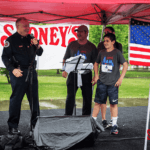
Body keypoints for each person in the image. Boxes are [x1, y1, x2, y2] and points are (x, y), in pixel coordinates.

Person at [1, 17, 43, 135]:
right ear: (17, 26)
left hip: (31, 72)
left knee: (34, 100)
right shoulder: (11, 40)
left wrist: (37, 45)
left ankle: (35, 125)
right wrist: (12, 69)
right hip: (18, 73)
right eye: (25, 26)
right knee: (16, 100)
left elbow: (40, 52)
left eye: (28, 26)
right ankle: (13, 126)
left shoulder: (31, 39)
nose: (27, 28)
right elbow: (4, 57)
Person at [92, 33, 128, 134]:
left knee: (113, 104)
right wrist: (96, 75)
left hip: (113, 84)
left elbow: (125, 65)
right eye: (104, 41)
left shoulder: (117, 53)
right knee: (97, 103)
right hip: (102, 83)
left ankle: (114, 125)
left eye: (107, 41)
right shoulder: (101, 52)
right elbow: (96, 63)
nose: (105, 43)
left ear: (113, 42)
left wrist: (120, 79)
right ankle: (92, 124)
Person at [62, 25, 98, 116]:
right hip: (73, 75)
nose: (78, 33)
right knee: (70, 97)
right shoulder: (72, 45)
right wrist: (64, 70)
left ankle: (85, 118)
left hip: (86, 75)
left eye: (81, 32)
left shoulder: (92, 47)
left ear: (86, 33)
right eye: (77, 31)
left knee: (87, 98)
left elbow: (96, 63)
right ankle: (68, 116)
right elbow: (65, 58)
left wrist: (96, 75)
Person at [97, 27, 123, 129]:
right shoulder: (100, 45)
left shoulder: (118, 46)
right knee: (102, 100)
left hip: (114, 76)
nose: (105, 33)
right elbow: (99, 60)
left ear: (113, 34)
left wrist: (117, 76)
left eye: (108, 32)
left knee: (113, 100)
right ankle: (103, 120)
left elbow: (120, 62)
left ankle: (113, 121)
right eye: (105, 32)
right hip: (103, 76)